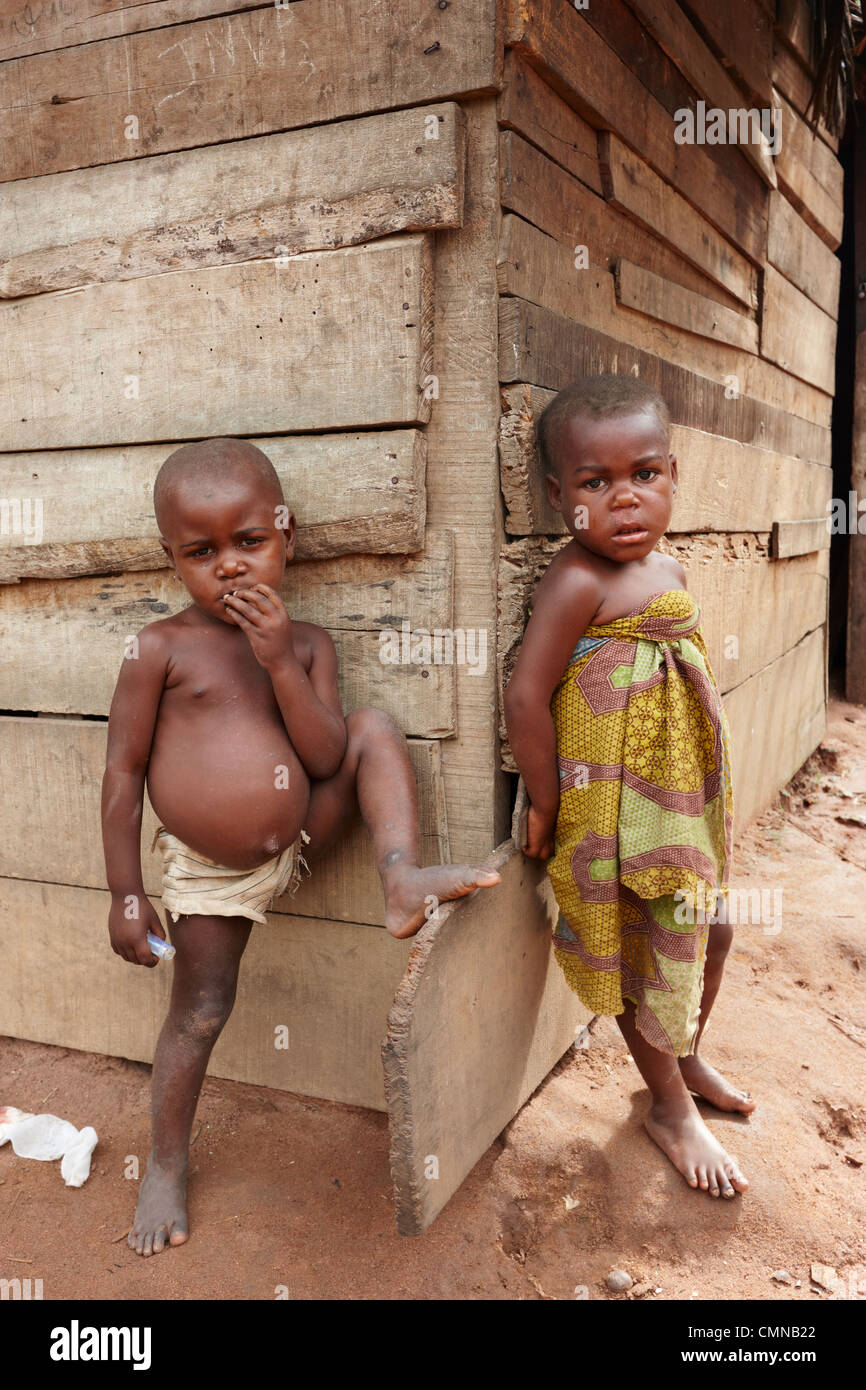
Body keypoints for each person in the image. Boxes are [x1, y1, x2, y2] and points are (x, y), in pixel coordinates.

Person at [101, 436, 501, 1256]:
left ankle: (400, 879)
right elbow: (122, 773)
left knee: (372, 731)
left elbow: (324, 758)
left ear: (289, 536)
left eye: (250, 542)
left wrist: (280, 661)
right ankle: (167, 1162)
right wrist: (125, 891)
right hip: (211, 873)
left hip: (302, 833)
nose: (230, 569)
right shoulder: (159, 650)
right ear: (171, 558)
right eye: (200, 552)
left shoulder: (308, 643)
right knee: (202, 1010)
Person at [504, 374, 753, 1200]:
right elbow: (526, 696)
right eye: (594, 483)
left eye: (644, 474)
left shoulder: (671, 567)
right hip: (608, 817)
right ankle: (670, 1108)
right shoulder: (578, 583)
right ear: (557, 496)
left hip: (673, 805)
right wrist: (545, 800)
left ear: (673, 474)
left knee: (710, 933)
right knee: (641, 951)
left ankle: (683, 1055)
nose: (624, 500)